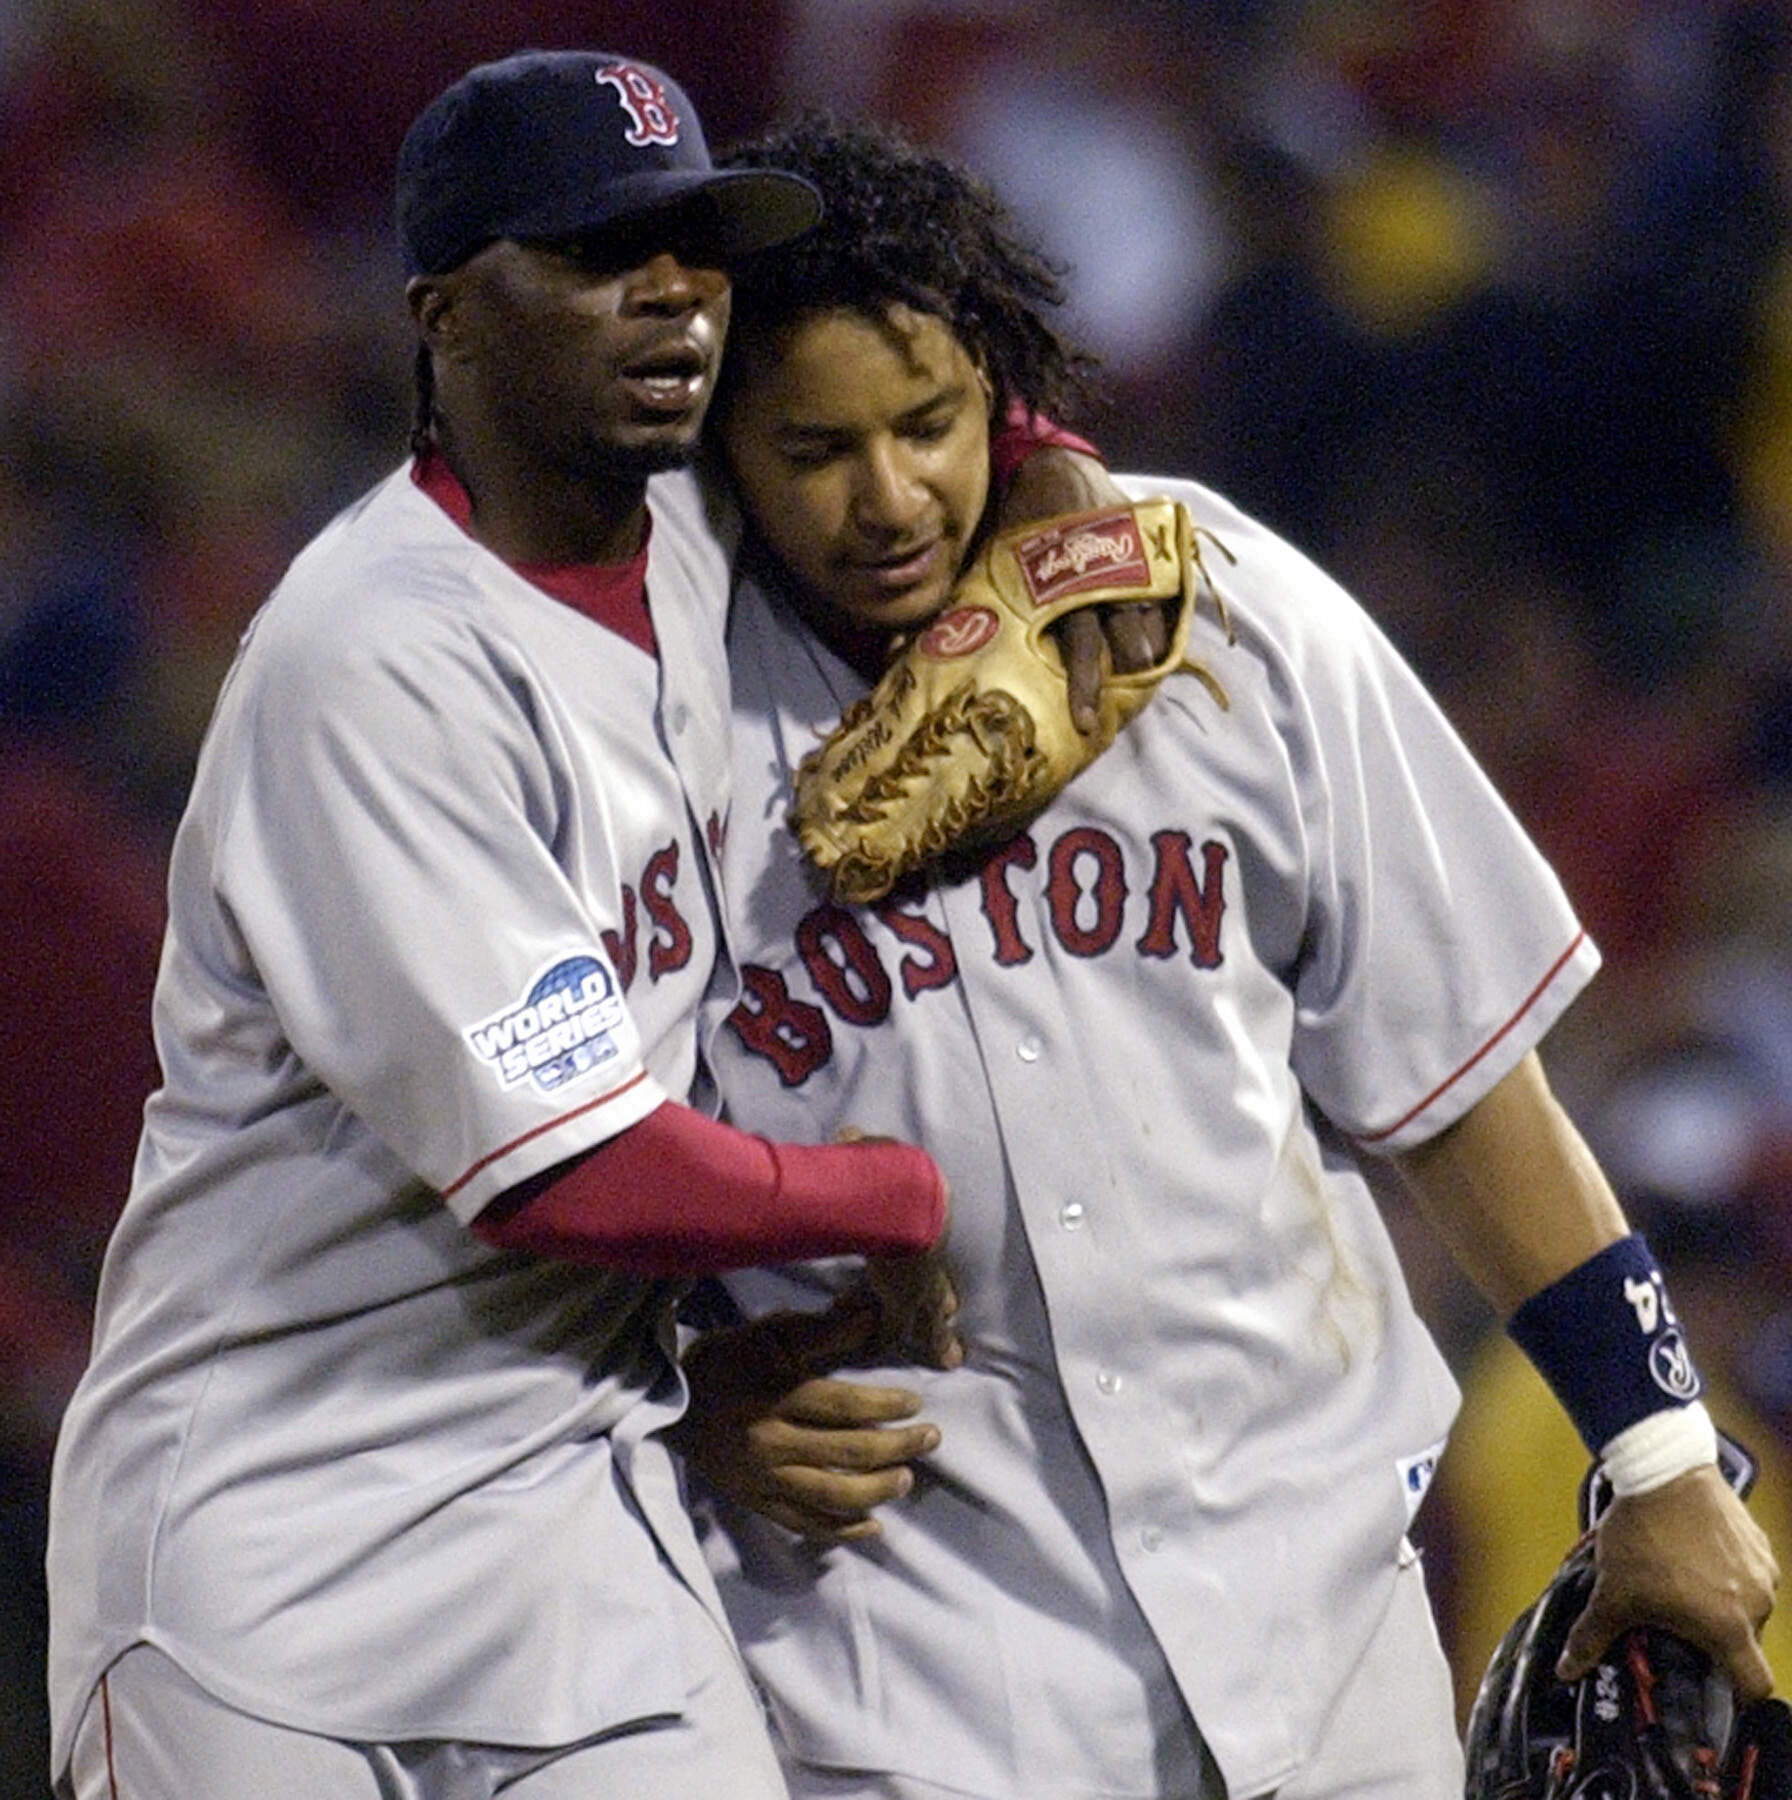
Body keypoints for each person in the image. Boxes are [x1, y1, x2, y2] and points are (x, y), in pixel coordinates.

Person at [670, 116, 1783, 1800]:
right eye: (816, 445)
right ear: (719, 448)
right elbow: (516, 1178)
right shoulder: (642, 724)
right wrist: (679, 1398)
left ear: (1006, 394)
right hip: (904, 1677)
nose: (889, 495)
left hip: (1321, 1626)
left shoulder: (1222, 609)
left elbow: (1468, 1083)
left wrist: (1660, 1447)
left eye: (932, 424)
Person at [42, 52, 983, 1800]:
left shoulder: (706, 539)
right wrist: (893, 1195)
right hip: (267, 1551)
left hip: (571, 1508)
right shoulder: (374, 651)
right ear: (446, 314)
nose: (678, 294)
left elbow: (965, 429)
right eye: (604, 252)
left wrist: (1064, 482)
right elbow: (570, 1176)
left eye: (699, 248)